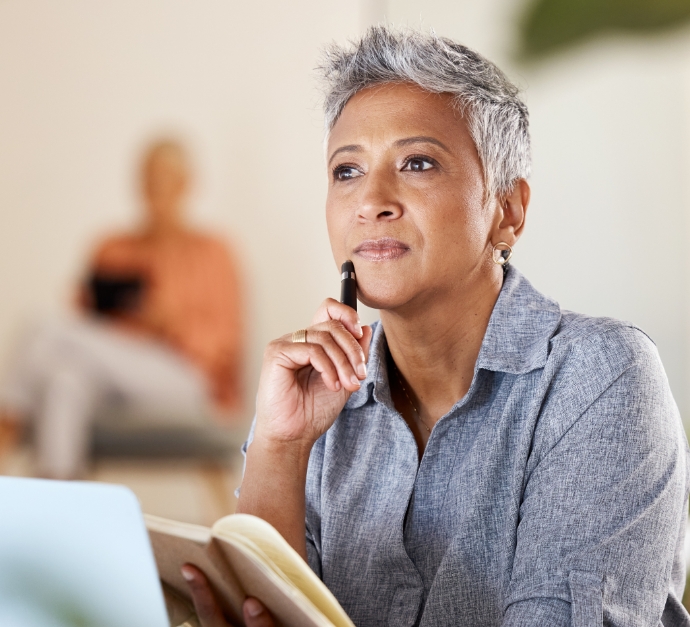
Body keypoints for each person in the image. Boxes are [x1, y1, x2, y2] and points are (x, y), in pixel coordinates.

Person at [182, 28, 690, 626]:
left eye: (417, 163)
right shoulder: (313, 402)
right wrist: (281, 446)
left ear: (508, 210)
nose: (371, 200)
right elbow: (256, 612)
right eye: (347, 171)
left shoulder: (599, 377)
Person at [0, 140, 244, 479]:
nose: (155, 188)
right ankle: (61, 500)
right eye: (147, 178)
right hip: (110, 377)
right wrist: (91, 303)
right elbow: (83, 332)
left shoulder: (215, 252)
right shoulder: (111, 246)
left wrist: (167, 322)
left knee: (40, 329)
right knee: (64, 379)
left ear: (187, 184)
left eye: (165, 178)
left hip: (187, 379)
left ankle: (7, 428)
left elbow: (223, 346)